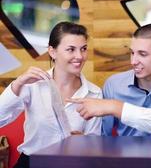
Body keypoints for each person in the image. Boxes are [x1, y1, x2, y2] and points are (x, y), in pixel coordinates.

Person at [0, 22, 102, 168]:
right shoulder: (32, 85)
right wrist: (18, 83)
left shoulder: (95, 93)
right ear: (52, 51)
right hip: (31, 163)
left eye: (83, 49)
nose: (79, 56)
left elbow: (95, 144)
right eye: (71, 49)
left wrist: (84, 141)